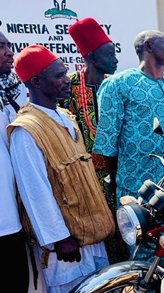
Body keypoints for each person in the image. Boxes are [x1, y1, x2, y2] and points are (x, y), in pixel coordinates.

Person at [7, 45, 114, 293]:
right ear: (36, 82)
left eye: (65, 73)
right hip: (65, 241)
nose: (67, 80)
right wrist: (58, 238)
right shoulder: (26, 129)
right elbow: (35, 191)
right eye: (58, 76)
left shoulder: (65, 115)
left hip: (88, 227)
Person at [59, 17, 126, 264]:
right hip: (85, 180)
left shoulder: (117, 86)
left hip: (119, 174)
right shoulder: (68, 87)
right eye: (110, 54)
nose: (115, 59)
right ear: (92, 57)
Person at [94, 30, 164, 202]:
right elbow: (108, 140)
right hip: (136, 186)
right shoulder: (118, 84)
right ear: (148, 46)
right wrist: (115, 180)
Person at [0, 27, 30, 293]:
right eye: (0, 46)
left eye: (9, 45)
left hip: (11, 214)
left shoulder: (9, 92)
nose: (9, 52)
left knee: (12, 291)